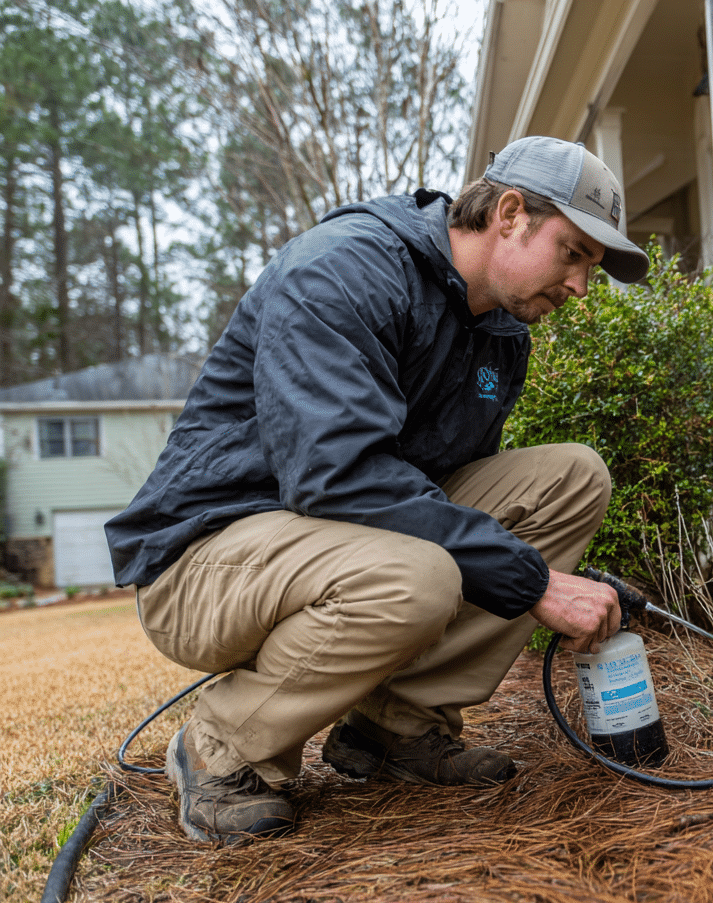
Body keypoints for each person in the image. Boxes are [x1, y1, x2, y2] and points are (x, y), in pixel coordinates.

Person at [105, 136, 650, 845]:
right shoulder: (345, 269)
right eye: (572, 253)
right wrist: (534, 581)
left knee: (572, 479)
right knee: (419, 577)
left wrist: (535, 570)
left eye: (591, 267)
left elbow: (442, 496)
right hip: (207, 556)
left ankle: (396, 726)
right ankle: (223, 745)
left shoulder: (499, 333)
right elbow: (336, 474)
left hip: (330, 542)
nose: (579, 286)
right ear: (510, 213)